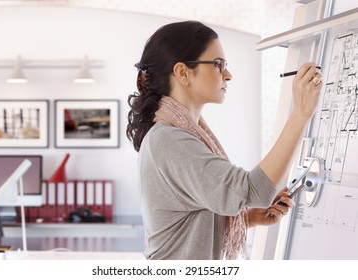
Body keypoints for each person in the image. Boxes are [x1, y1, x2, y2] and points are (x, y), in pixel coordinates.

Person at [126, 21, 322, 260]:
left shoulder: (176, 135)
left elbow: (188, 220)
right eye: (218, 65)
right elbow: (255, 189)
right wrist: (301, 113)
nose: (228, 75)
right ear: (183, 73)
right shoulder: (170, 140)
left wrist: (247, 217)